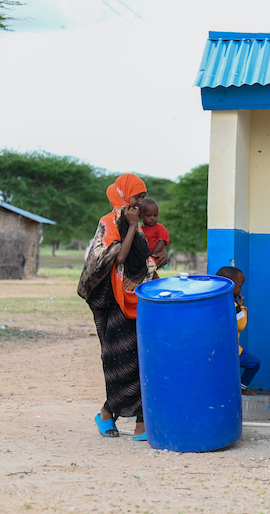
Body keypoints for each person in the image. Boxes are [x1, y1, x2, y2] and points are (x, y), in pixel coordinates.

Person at [77, 174, 167, 441]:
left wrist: (156, 261)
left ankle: (140, 421)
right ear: (124, 196)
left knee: (143, 359)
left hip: (136, 299)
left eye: (142, 198)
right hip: (113, 301)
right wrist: (130, 226)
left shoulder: (135, 225)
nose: (140, 203)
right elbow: (117, 257)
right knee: (120, 361)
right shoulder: (109, 222)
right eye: (137, 197)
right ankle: (107, 412)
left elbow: (139, 262)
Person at [216, 266, 261, 395]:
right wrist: (242, 307)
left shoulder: (215, 301)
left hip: (217, 348)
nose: (241, 289)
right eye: (240, 286)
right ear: (230, 284)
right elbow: (241, 325)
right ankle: (240, 388)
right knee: (254, 363)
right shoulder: (234, 305)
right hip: (231, 350)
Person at [139, 198, 169, 275]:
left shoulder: (159, 227)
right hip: (142, 258)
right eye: (149, 216)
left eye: (155, 215)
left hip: (154, 256)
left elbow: (162, 241)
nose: (153, 218)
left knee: (151, 273)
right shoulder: (139, 229)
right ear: (140, 216)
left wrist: (153, 254)